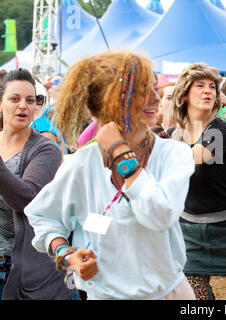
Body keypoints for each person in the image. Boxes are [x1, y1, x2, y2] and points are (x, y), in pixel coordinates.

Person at [24, 50, 196, 300]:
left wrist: (120, 153)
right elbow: (42, 216)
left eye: (154, 88)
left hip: (167, 293)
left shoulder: (174, 154)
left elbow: (160, 214)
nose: (156, 97)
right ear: (113, 101)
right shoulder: (82, 164)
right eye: (143, 91)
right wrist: (67, 254)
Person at [169, 63, 226, 300]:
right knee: (193, 300)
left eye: (212, 86)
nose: (208, 91)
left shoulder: (222, 129)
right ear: (184, 94)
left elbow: (188, 162)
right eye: (200, 86)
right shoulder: (173, 135)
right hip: (189, 231)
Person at [0, 68, 77, 300]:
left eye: (30, 100)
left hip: (22, 272)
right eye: (14, 99)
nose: (23, 105)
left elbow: (28, 199)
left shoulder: (45, 149)